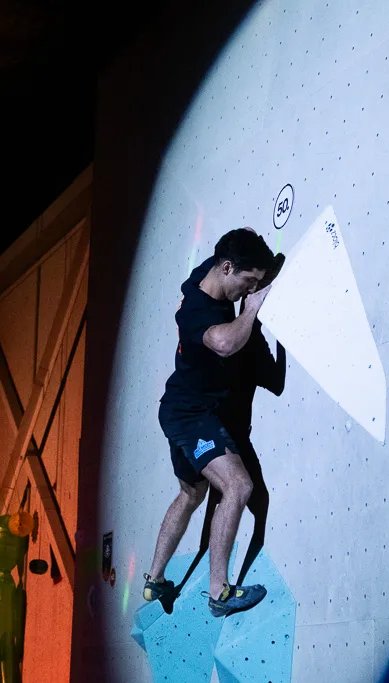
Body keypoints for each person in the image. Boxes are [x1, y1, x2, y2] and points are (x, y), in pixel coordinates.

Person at [143, 228, 278, 618]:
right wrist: (251, 310)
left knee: (191, 494)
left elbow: (241, 243)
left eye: (256, 284)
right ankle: (219, 592)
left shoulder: (214, 269)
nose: (251, 290)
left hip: (178, 408)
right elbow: (224, 343)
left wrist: (257, 254)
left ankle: (155, 580)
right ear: (228, 268)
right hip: (192, 414)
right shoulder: (195, 312)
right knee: (239, 485)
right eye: (248, 282)